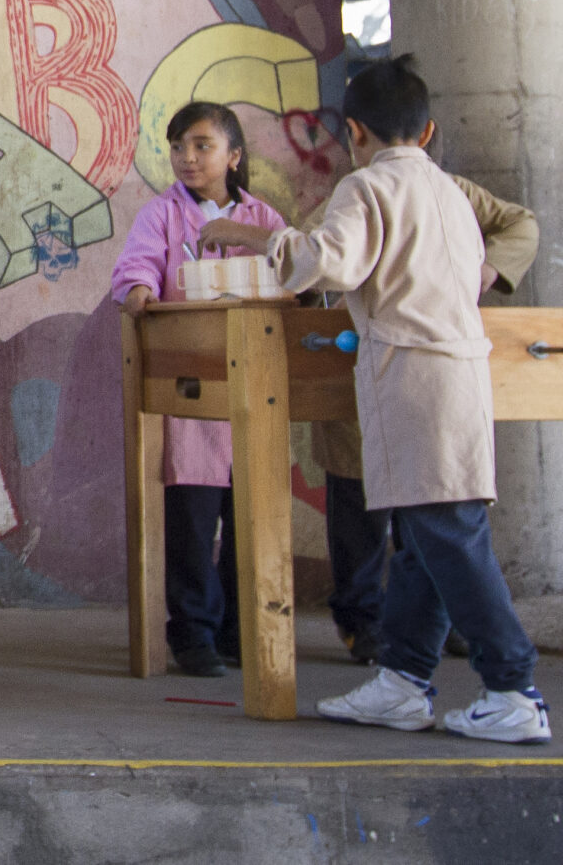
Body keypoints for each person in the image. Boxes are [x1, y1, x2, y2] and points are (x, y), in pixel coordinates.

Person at [204, 58, 550, 743]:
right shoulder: (449, 190)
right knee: (423, 540)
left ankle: (513, 687)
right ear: (428, 131)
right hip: (459, 375)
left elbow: (329, 262)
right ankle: (403, 679)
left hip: (413, 380)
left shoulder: (366, 186)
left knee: (450, 536)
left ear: (354, 132)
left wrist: (258, 238)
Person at [317, 175, 538, 665]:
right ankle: (370, 629)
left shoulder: (453, 190)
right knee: (364, 513)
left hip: (434, 379)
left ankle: (464, 649)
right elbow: (319, 254)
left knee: (434, 526)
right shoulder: (360, 189)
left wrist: (488, 270)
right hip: (372, 371)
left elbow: (521, 225)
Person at [109, 102, 287, 676]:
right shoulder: (160, 214)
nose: (188, 157)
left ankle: (240, 630)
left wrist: (252, 241)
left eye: (203, 145)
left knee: (248, 519)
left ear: (233, 156)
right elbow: (135, 268)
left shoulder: (262, 217)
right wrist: (139, 290)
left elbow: (298, 271)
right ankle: (192, 634)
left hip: (254, 386)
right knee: (190, 520)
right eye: (179, 146)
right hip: (188, 390)